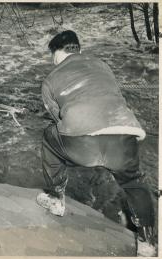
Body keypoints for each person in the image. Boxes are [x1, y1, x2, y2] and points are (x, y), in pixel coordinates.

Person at [37, 30, 156, 256]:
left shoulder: (50, 79)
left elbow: (58, 119)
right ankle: (147, 242)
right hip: (124, 133)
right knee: (134, 182)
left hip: (83, 143)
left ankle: (55, 199)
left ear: (57, 52)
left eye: (52, 54)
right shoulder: (102, 65)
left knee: (49, 138)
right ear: (78, 48)